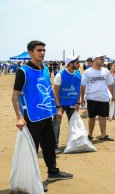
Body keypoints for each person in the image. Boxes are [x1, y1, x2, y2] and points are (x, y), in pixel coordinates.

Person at [12, 40, 73, 182]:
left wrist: (57, 107)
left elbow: (50, 91)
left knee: (49, 146)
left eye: (44, 50)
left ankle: (53, 172)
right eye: (39, 50)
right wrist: (19, 117)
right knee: (32, 149)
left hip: (46, 114)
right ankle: (32, 179)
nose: (42, 53)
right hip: (31, 116)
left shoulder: (45, 69)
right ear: (30, 52)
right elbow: (15, 95)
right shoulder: (23, 71)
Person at [80, 54, 115, 141]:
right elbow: (82, 86)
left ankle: (103, 135)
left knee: (103, 117)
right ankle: (90, 135)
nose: (103, 60)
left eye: (103, 58)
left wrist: (113, 96)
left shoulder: (106, 71)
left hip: (104, 98)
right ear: (95, 60)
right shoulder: (87, 72)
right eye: (101, 58)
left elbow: (110, 84)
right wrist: (82, 98)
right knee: (91, 117)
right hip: (92, 98)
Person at [52, 55, 82, 153]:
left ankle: (72, 143)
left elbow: (78, 90)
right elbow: (55, 91)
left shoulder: (78, 74)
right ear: (70, 64)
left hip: (72, 104)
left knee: (73, 124)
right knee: (56, 125)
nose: (79, 64)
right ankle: (54, 145)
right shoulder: (60, 75)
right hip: (60, 104)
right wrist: (58, 106)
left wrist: (78, 102)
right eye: (76, 62)